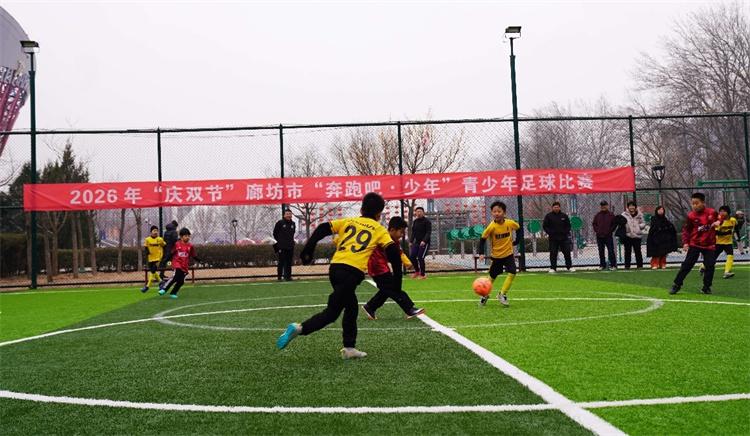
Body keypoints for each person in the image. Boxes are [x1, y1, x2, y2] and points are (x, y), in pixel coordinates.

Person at [276, 193, 402, 359]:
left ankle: (349, 348)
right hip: (351, 273)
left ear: (361, 209)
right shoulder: (379, 229)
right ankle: (299, 328)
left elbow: (322, 228)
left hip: (335, 269)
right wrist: (397, 282)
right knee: (332, 313)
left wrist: (308, 249)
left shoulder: (349, 221)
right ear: (379, 214)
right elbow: (393, 253)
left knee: (351, 306)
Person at [361, 216, 425, 320]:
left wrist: (407, 263)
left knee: (387, 289)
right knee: (393, 288)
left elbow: (399, 253)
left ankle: (370, 307)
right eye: (401, 232)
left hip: (382, 267)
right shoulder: (383, 237)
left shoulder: (394, 240)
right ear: (392, 230)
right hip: (377, 267)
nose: (402, 235)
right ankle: (409, 309)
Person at [670, 193, 722, 295]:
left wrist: (719, 222)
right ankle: (676, 284)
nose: (694, 206)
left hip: (709, 245)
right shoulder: (691, 216)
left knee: (710, 266)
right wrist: (685, 243)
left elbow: (721, 218)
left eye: (696, 203)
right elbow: (686, 230)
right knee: (687, 265)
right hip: (695, 244)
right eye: (693, 203)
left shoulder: (712, 212)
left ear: (703, 203)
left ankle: (706, 287)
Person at [476, 201, 520, 307]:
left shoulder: (510, 223)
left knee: (513, 272)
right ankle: (484, 295)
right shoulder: (491, 226)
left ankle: (502, 294)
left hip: (508, 254)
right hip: (496, 256)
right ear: (492, 213)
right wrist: (481, 253)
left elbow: (518, 228)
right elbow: (482, 239)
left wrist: (517, 241)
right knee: (492, 277)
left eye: (499, 211)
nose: (496, 213)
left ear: (504, 213)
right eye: (494, 211)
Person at [159, 227, 201, 299]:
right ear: (181, 237)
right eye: (185, 236)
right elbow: (171, 253)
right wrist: (166, 260)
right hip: (177, 264)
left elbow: (193, 255)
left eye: (188, 236)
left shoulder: (190, 246)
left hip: (184, 266)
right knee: (176, 276)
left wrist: (199, 260)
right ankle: (164, 289)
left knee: (181, 281)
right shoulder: (177, 244)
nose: (187, 237)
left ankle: (173, 293)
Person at [543, 201, 575, 273]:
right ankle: (553, 268)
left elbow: (568, 226)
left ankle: (569, 267)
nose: (556, 208)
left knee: (567, 252)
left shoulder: (564, 216)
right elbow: (545, 226)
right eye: (555, 207)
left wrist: (565, 232)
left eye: (557, 207)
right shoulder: (548, 216)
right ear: (552, 208)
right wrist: (550, 232)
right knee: (553, 253)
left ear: (559, 208)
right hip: (553, 238)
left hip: (564, 238)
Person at [706, 205, 737, 279]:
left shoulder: (733, 220)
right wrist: (727, 232)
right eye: (720, 211)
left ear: (728, 212)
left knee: (730, 256)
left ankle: (727, 272)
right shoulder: (718, 221)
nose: (722, 213)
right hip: (718, 243)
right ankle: (703, 266)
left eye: (724, 211)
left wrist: (737, 237)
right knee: (713, 257)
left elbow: (736, 228)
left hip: (728, 242)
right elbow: (716, 232)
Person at [592, 200, 617, 270]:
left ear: (607, 206)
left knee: (611, 251)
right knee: (601, 251)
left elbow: (614, 224)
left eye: (604, 205)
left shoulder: (611, 215)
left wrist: (610, 231)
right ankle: (602, 265)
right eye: (602, 205)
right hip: (599, 236)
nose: (603, 207)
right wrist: (597, 231)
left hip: (608, 236)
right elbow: (594, 224)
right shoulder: (597, 215)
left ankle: (613, 265)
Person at [273, 209, 297, 281]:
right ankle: (279, 277)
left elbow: (292, 234)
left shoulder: (293, 224)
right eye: (287, 214)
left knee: (289, 262)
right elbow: (275, 233)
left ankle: (288, 277)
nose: (288, 215)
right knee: (281, 262)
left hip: (290, 246)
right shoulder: (280, 223)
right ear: (284, 215)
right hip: (281, 246)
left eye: (290, 214)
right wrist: (280, 241)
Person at [621, 201, 646, 269]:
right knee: (627, 252)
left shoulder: (640, 214)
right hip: (628, 235)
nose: (631, 207)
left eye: (633, 206)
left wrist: (639, 226)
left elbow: (643, 223)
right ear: (628, 207)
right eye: (630, 206)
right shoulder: (624, 214)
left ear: (635, 207)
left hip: (637, 235)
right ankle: (627, 266)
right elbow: (621, 223)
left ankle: (640, 265)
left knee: (638, 251)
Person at [141, 225, 166, 292]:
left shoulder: (160, 239)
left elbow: (164, 245)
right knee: (153, 272)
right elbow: (146, 247)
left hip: (158, 258)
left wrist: (163, 255)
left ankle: (147, 286)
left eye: (157, 231)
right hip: (150, 258)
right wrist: (147, 253)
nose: (156, 232)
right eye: (154, 230)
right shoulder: (147, 239)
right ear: (151, 232)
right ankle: (161, 282)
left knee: (152, 272)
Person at [409, 206, 432, 279]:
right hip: (417, 242)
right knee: (412, 256)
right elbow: (413, 232)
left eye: (420, 211)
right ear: (415, 213)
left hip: (425, 243)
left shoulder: (427, 221)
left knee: (420, 257)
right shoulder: (415, 221)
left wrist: (424, 241)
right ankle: (417, 271)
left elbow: (428, 232)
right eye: (417, 212)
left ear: (423, 213)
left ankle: (423, 275)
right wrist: (411, 241)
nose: (418, 213)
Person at [158, 220, 179, 286]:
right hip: (172, 249)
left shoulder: (166, 231)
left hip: (166, 248)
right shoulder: (174, 231)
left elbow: (165, 240)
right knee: (175, 261)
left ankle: (161, 274)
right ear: (175, 226)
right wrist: (179, 240)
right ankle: (176, 275)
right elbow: (174, 240)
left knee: (164, 261)